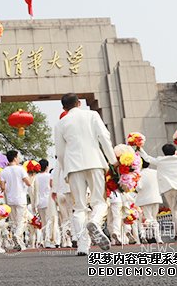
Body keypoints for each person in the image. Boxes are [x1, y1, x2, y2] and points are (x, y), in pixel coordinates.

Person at [54, 93, 117, 256]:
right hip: (95, 161)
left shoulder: (60, 123)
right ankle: (95, 222)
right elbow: (104, 137)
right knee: (100, 201)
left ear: (64, 108)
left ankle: (83, 245)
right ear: (79, 103)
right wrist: (112, 160)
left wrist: (65, 168)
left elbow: (60, 152)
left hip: (73, 166)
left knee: (79, 207)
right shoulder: (92, 115)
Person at [139, 139, 177, 242]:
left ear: (163, 152)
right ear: (175, 151)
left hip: (168, 189)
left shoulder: (160, 160)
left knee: (175, 211)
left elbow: (147, 158)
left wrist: (139, 148)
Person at [0, 150, 31, 251]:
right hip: (20, 198)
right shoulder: (21, 169)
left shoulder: (4, 171)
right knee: (22, 220)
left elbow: (2, 187)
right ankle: (17, 236)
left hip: (10, 198)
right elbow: (28, 183)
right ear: (14, 158)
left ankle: (18, 243)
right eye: (18, 157)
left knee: (13, 222)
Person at [32, 159, 55, 249]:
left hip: (39, 202)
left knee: (44, 222)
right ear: (46, 167)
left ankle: (46, 241)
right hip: (49, 201)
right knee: (50, 221)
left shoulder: (36, 177)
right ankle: (50, 241)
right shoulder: (49, 176)